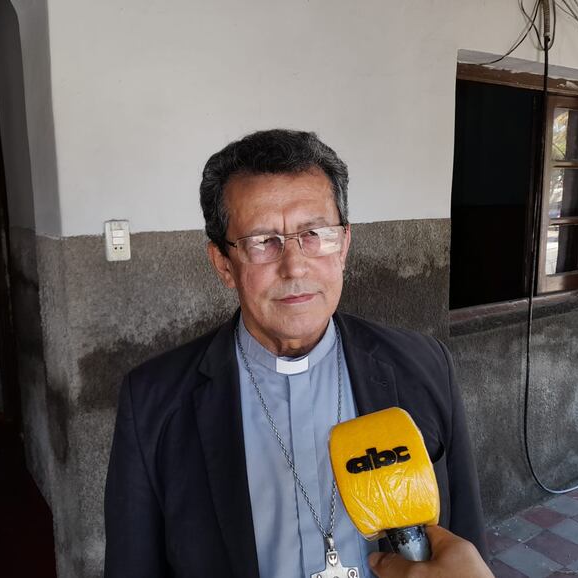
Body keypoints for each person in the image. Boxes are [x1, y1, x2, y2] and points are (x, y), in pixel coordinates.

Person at [104, 129, 489, 577]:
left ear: (344, 246)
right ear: (223, 264)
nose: (294, 266)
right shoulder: (153, 401)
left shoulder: (424, 366)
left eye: (314, 234)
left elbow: (463, 542)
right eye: (262, 241)